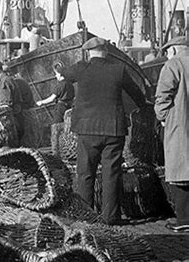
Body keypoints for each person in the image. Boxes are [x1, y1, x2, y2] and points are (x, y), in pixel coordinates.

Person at [61, 37, 147, 225]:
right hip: (113, 129)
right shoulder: (118, 69)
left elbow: (64, 74)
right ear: (106, 51)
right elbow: (137, 93)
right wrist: (144, 106)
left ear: (89, 52)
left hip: (87, 130)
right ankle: (111, 217)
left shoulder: (81, 68)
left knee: (85, 173)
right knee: (112, 173)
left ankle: (85, 217)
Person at [154, 36, 189, 232]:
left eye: (167, 52)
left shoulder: (173, 65)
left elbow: (163, 94)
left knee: (180, 169)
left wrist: (163, 116)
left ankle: (184, 218)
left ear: (173, 50)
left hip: (180, 122)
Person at [0, 60, 24, 138]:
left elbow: (5, 106)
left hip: (12, 121)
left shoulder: (4, 82)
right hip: (15, 118)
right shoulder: (5, 80)